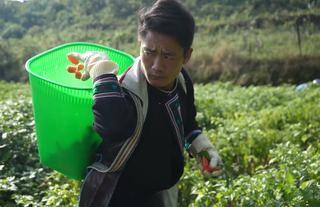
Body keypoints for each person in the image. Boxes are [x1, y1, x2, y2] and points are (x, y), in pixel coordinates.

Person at [71, 0, 223, 206]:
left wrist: (204, 150)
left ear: (187, 55)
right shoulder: (128, 87)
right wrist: (101, 70)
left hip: (160, 193)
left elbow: (187, 125)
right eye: (149, 52)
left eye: (168, 56)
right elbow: (112, 127)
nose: (157, 66)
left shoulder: (182, 82)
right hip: (118, 197)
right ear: (139, 44)